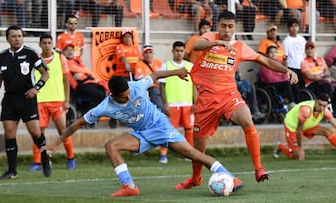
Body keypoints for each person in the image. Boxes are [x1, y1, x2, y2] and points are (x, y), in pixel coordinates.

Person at [39, 68, 245, 197]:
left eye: (129, 94)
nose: (128, 98)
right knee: (111, 146)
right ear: (113, 95)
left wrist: (179, 71)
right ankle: (129, 186)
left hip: (161, 127)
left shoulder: (136, 85)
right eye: (123, 97)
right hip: (143, 135)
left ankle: (228, 176)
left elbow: (155, 75)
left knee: (193, 154)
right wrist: (56, 144)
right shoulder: (104, 107)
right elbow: (77, 123)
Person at [174, 11, 298, 190]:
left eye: (230, 26)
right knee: (198, 148)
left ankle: (259, 168)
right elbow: (197, 45)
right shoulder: (209, 38)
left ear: (235, 27)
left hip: (229, 96)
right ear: (218, 25)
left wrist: (286, 71)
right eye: (223, 26)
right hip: (206, 101)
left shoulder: (240, 47)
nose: (226, 30)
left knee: (247, 120)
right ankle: (195, 178)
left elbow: (264, 60)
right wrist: (218, 42)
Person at [0, 25, 52, 179]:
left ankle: (45, 158)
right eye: (13, 36)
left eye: (19, 36)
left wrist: (36, 88)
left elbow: (45, 74)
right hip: (9, 100)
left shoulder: (30, 53)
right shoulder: (2, 56)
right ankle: (12, 171)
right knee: (10, 134)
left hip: (27, 99)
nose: (17, 39)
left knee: (36, 132)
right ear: (7, 39)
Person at [28, 33, 76, 172]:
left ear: (52, 44)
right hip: (40, 101)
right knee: (38, 133)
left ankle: (71, 158)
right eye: (44, 43)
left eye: (49, 43)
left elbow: (66, 80)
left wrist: (67, 100)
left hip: (57, 101)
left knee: (63, 131)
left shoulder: (60, 58)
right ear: (40, 44)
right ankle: (37, 162)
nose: (47, 46)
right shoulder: (34, 59)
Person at [273, 92, 336, 160]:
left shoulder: (325, 111)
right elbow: (298, 130)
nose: (321, 108)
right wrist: (300, 148)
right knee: (299, 157)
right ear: (315, 101)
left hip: (308, 126)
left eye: (324, 106)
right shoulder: (306, 110)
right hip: (293, 127)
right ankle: (280, 147)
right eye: (320, 105)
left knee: (328, 132)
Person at [158, 41, 194, 164]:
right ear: (172, 51)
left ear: (184, 52)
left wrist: (196, 102)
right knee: (168, 130)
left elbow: (195, 86)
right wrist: (165, 103)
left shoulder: (190, 67)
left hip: (187, 103)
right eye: (177, 51)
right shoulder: (166, 66)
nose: (179, 53)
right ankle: (163, 154)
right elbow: (161, 86)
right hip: (172, 104)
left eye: (181, 51)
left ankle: (189, 154)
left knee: (189, 129)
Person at [62, 42, 108, 117]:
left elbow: (86, 70)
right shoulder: (64, 62)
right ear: (63, 52)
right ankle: (91, 115)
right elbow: (75, 69)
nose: (70, 52)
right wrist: (86, 72)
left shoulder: (77, 61)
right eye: (67, 50)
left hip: (89, 83)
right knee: (99, 94)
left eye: (72, 50)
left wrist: (84, 72)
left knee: (103, 91)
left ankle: (91, 114)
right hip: (80, 86)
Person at [300, 41, 336, 118]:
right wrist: (322, 76)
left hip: (322, 81)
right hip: (312, 84)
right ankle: (331, 111)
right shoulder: (304, 62)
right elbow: (309, 76)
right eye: (308, 49)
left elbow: (327, 71)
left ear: (314, 50)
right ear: (305, 51)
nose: (310, 50)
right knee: (327, 86)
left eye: (311, 48)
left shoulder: (320, 59)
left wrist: (321, 76)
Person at [282, 18, 306, 102]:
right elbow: (284, 57)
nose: (294, 28)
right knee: (295, 89)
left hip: (302, 67)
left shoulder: (302, 39)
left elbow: (305, 54)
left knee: (303, 88)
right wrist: (286, 70)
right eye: (292, 26)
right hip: (292, 67)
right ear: (288, 28)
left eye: (296, 26)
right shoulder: (286, 41)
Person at [134, 44, 163, 112]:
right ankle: (161, 111)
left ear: (153, 53)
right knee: (155, 92)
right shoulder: (139, 64)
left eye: (150, 52)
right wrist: (153, 80)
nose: (148, 55)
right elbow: (139, 78)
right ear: (143, 54)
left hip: (161, 85)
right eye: (146, 53)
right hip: (150, 87)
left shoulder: (159, 63)